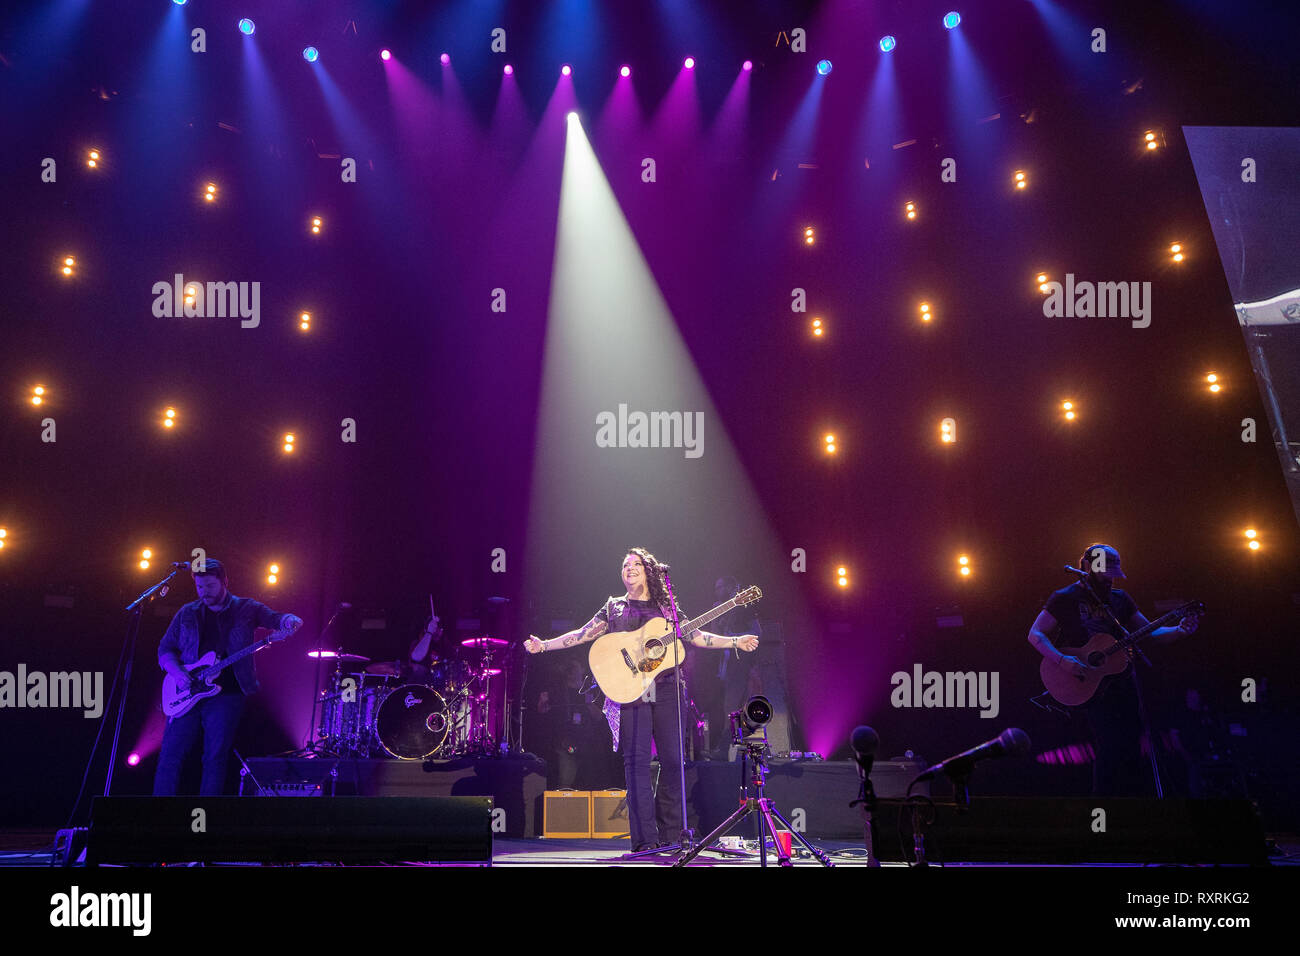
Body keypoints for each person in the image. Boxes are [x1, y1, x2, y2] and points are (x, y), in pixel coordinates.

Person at [525, 548, 758, 853]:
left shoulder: (667, 607)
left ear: (649, 571)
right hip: (632, 690)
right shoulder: (614, 607)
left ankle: (672, 836)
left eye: (636, 564)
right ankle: (645, 841)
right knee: (636, 765)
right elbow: (583, 634)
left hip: (668, 688)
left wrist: (735, 641)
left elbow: (695, 635)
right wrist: (544, 645)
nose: (630, 568)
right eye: (625, 564)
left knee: (674, 762)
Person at [1026, 544, 1197, 796]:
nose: (1111, 578)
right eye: (1106, 571)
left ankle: (1133, 804)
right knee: (1108, 746)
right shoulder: (1066, 597)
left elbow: (1150, 632)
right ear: (1089, 567)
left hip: (1122, 680)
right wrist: (1063, 660)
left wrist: (1179, 630)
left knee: (1131, 743)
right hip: (1086, 680)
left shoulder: (1120, 599)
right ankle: (1104, 809)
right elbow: (1035, 633)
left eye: (1113, 572)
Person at [154, 559, 302, 796]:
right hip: (186, 691)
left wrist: (288, 620)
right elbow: (165, 649)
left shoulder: (246, 608)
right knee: (170, 753)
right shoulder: (187, 613)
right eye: (200, 587)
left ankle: (207, 818)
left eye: (210, 586)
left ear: (225, 582)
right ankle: (156, 815)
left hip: (228, 694)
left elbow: (274, 618)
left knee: (215, 756)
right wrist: (179, 674)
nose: (205, 592)